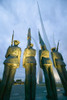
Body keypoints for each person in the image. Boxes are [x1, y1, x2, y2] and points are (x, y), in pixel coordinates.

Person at [0, 33, 21, 100]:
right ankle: (6, 97)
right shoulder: (19, 49)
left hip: (8, 61)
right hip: (15, 62)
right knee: (10, 80)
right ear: (18, 43)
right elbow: (19, 57)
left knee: (5, 79)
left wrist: (10, 49)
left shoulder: (10, 47)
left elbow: (6, 55)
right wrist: (18, 64)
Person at [38, 31, 58, 100]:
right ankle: (54, 93)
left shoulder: (41, 51)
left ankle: (50, 94)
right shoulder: (47, 51)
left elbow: (40, 58)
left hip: (44, 63)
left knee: (47, 78)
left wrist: (41, 65)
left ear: (41, 46)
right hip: (50, 63)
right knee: (51, 77)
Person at [23, 28, 36, 100]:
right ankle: (30, 97)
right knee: (31, 78)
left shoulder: (27, 49)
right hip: (32, 61)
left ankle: (29, 97)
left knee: (29, 78)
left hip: (28, 61)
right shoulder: (34, 50)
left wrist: (23, 63)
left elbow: (24, 56)